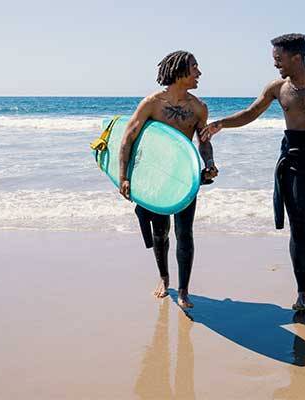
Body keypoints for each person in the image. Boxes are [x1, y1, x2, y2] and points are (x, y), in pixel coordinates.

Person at [200, 34, 305, 311]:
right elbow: (251, 112)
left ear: (296, 57)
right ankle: (301, 291)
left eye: (279, 59)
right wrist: (220, 124)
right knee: (298, 227)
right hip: (294, 161)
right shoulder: (277, 88)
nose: (275, 65)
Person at [118, 50, 218, 309]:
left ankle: (184, 290)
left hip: (185, 178)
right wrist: (124, 176)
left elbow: (203, 143)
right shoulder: (152, 104)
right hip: (154, 178)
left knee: (185, 233)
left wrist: (208, 165)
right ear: (180, 72)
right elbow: (127, 138)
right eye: (195, 68)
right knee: (160, 232)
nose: (199, 73)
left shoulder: (198, 107)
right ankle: (164, 278)